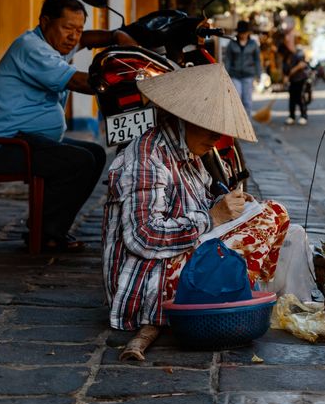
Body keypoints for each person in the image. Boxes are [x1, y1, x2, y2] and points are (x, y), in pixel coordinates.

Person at [102, 62, 290, 360]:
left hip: (178, 259)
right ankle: (227, 292)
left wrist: (230, 201)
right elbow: (143, 235)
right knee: (269, 217)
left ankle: (232, 289)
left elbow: (203, 193)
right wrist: (213, 217)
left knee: (271, 213)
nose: (217, 138)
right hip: (151, 282)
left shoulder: (188, 154)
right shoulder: (146, 159)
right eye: (210, 126)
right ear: (182, 119)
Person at [0, 0, 134, 252]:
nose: (73, 36)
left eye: (78, 28)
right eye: (67, 28)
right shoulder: (32, 47)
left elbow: (86, 40)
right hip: (2, 149)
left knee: (94, 153)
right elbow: (78, 82)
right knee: (78, 161)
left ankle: (50, 226)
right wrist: (127, 80)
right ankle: (45, 231)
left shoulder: (52, 44)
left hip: (28, 141)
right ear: (45, 22)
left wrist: (115, 37)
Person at [223, 20, 261, 117]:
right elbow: (228, 60)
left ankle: (247, 125)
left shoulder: (253, 44)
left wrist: (258, 75)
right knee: (237, 98)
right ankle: (237, 123)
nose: (242, 35)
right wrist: (225, 75)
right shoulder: (232, 44)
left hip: (248, 75)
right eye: (241, 33)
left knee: (247, 100)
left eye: (244, 33)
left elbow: (257, 60)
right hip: (235, 75)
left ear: (248, 32)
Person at [280, 44, 310, 126]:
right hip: (292, 81)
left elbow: (302, 65)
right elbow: (285, 71)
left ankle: (303, 116)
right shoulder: (285, 60)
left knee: (300, 97)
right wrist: (285, 78)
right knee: (292, 99)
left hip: (300, 79)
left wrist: (292, 71)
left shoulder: (297, 54)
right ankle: (291, 116)